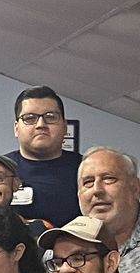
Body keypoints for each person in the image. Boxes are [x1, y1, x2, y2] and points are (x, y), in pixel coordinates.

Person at [7, 85, 84, 229]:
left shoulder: (86, 169)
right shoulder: (1, 170)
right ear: (16, 128)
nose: (41, 125)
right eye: (30, 118)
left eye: (50, 117)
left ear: (65, 126)